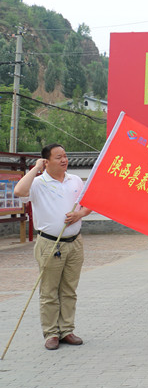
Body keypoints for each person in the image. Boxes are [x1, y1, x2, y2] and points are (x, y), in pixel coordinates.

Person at [14, 144, 92, 350]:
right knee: (49, 291)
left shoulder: (75, 180)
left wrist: (79, 214)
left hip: (74, 242)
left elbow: (89, 204)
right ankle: (51, 333)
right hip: (50, 244)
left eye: (65, 156)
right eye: (58, 157)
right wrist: (35, 168)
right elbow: (19, 191)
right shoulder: (38, 183)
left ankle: (67, 330)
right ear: (46, 162)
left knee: (69, 290)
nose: (64, 160)